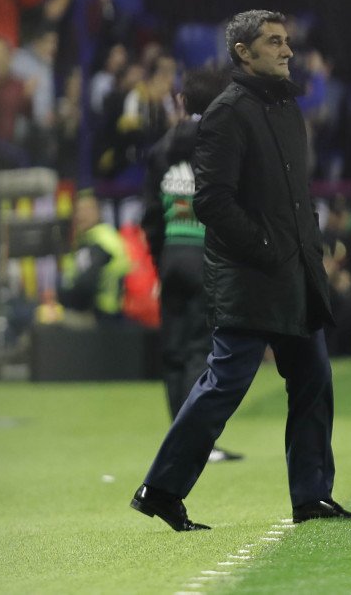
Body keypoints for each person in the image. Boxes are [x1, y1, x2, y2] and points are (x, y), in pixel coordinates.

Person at [131, 10, 351, 530]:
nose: (287, 51)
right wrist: (265, 246)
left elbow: (295, 194)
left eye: (287, 41)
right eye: (273, 42)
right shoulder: (226, 113)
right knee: (225, 384)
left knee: (314, 379)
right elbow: (213, 201)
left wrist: (310, 245)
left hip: (295, 273)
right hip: (251, 275)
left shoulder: (287, 108)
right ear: (243, 52)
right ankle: (162, 489)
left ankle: (312, 496)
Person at [141, 66, 242, 465]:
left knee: (174, 352)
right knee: (202, 350)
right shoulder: (221, 145)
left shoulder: (162, 149)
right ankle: (200, 444)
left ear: (183, 101)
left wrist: (160, 257)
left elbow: (150, 213)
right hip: (206, 255)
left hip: (170, 257)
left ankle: (178, 440)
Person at [58, 192, 131, 320]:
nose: (81, 215)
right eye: (78, 210)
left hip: (104, 315)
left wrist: (62, 297)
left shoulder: (101, 240)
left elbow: (86, 284)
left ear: (98, 212)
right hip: (96, 313)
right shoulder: (86, 239)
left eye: (87, 210)